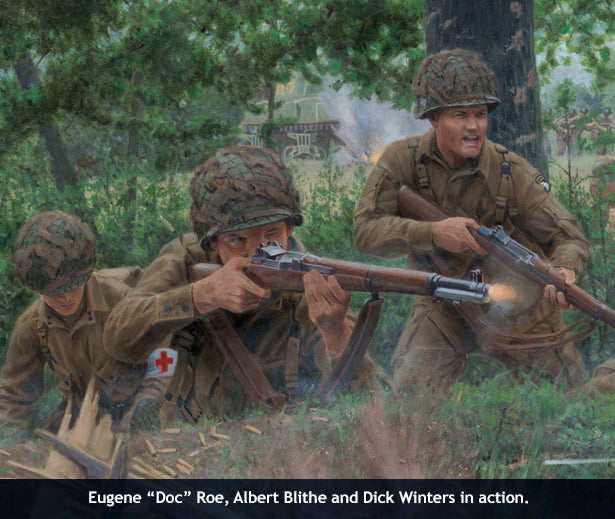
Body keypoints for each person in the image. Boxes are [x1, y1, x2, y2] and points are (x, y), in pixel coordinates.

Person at [354, 49, 590, 393]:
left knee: (573, 408)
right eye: (460, 115)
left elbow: (569, 236)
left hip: (519, 305)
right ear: (433, 118)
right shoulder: (401, 160)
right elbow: (365, 231)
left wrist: (565, 271)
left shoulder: (510, 170)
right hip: (442, 301)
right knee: (410, 404)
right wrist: (432, 232)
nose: (473, 126)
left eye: (480, 114)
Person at [104, 145, 382, 424]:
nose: (256, 251)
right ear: (213, 242)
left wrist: (337, 333)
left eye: (271, 234)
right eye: (238, 240)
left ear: (290, 228)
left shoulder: (306, 281)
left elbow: (374, 404)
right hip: (188, 431)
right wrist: (202, 295)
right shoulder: (186, 260)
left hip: (276, 439)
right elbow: (119, 337)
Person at [0, 211, 165, 434]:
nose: (65, 298)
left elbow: (165, 353)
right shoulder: (31, 326)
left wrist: (150, 400)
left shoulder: (122, 300)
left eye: (71, 287)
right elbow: (13, 397)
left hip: (131, 416)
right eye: (54, 292)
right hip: (78, 423)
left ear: (86, 274)